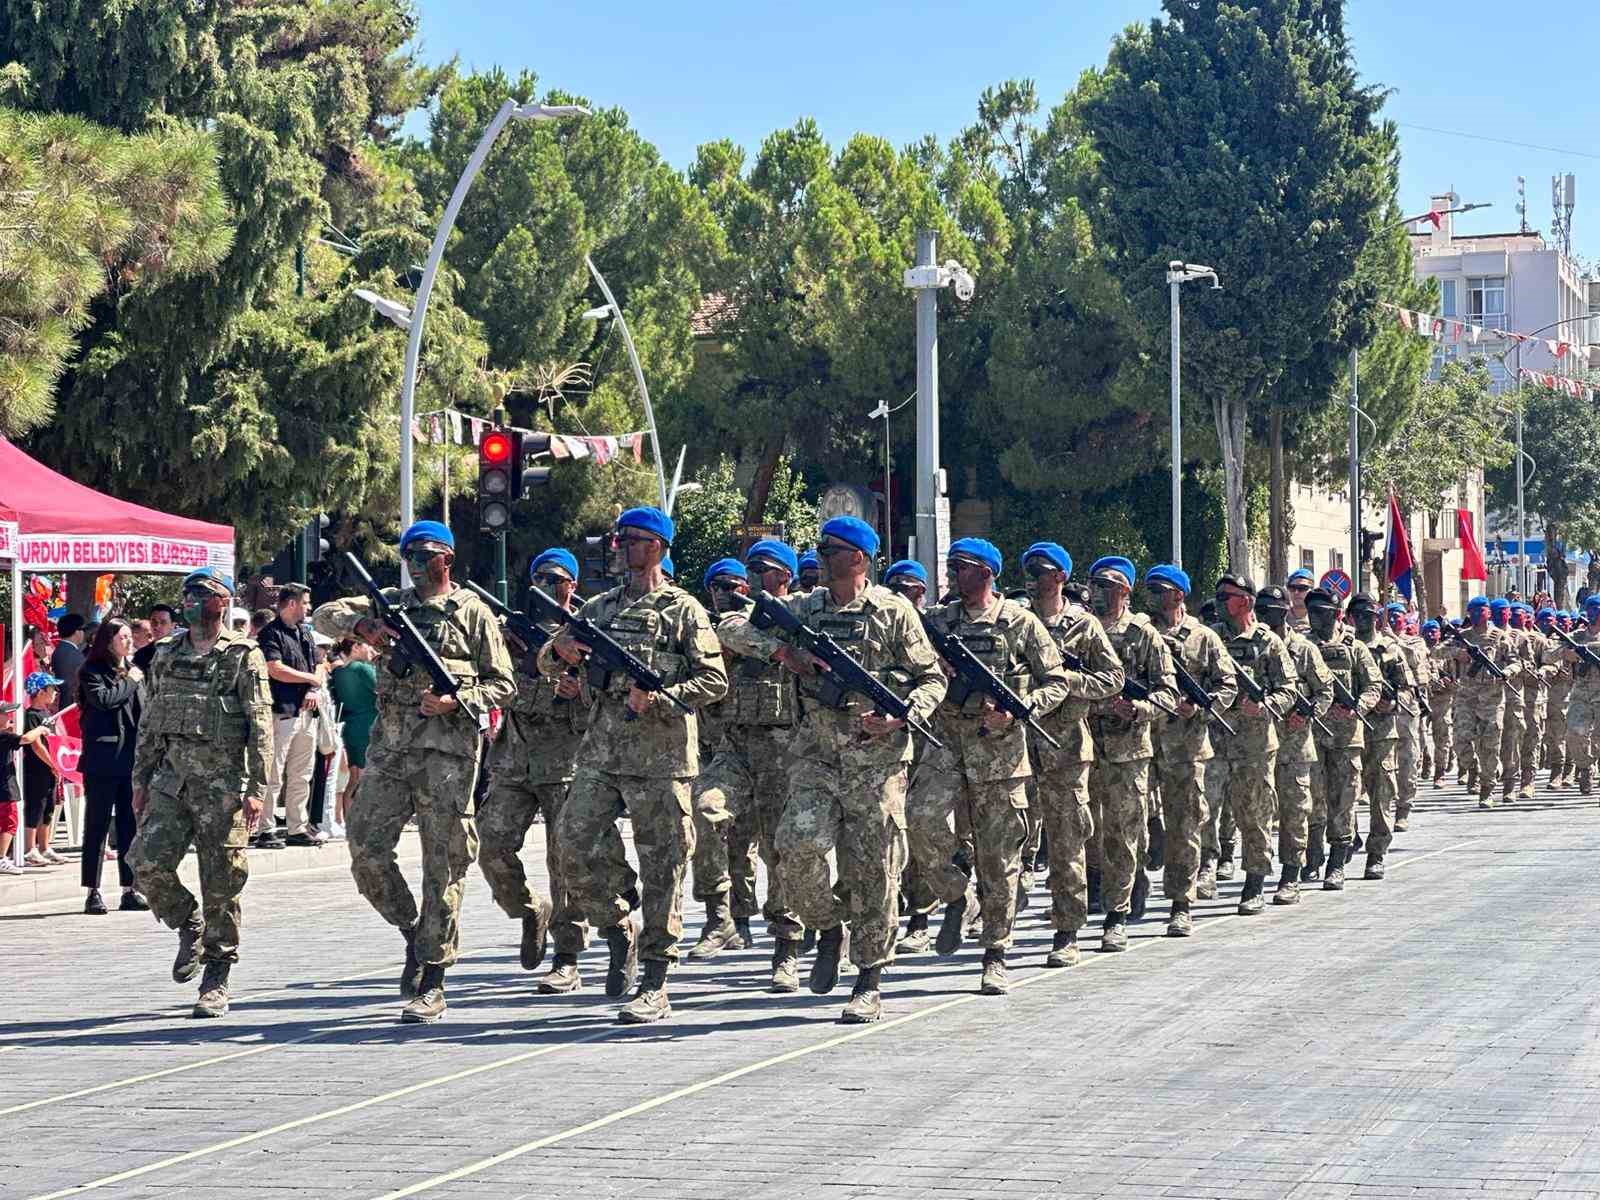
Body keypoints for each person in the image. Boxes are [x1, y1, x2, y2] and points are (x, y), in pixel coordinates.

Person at [724, 515, 943, 1022]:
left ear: (858, 558)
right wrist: (782, 651)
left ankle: (869, 978)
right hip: (816, 758)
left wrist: (901, 716)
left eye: (830, 550)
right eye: (820, 550)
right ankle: (826, 926)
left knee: (875, 872)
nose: (820, 558)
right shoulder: (805, 607)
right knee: (794, 848)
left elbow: (932, 678)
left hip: (877, 763)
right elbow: (731, 626)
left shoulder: (893, 612)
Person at [314, 520, 514, 1023]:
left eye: (424, 556)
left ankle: (433, 976)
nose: (416, 566)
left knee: (443, 863)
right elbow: (324, 615)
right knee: (365, 847)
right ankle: (413, 929)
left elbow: (504, 684)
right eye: (409, 558)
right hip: (390, 751)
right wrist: (364, 627)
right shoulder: (389, 604)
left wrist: (456, 700)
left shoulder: (473, 613)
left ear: (447, 558)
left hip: (448, 755)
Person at [541, 507, 728, 1024]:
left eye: (634, 540)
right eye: (620, 539)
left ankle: (655, 980)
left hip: (663, 760)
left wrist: (660, 698)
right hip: (602, 752)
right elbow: (547, 659)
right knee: (571, 843)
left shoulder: (684, 610)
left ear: (658, 547)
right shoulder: (599, 608)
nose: (623, 547)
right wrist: (560, 651)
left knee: (663, 867)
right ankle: (616, 921)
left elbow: (714, 681)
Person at [910, 538, 1069, 994]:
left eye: (960, 567)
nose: (952, 574)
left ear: (986, 572)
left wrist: (1021, 709)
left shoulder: (1019, 622)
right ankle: (956, 891)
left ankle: (995, 952)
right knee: (919, 818)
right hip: (946, 743)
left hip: (999, 752)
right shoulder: (937, 620)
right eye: (951, 567)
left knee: (999, 859)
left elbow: (1056, 681)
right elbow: (909, 668)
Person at [129, 567, 274, 1018]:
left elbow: (260, 726)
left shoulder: (243, 655)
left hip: (223, 789)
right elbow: (150, 722)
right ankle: (187, 921)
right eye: (186, 594)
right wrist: (140, 781)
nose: (189, 600)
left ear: (222, 602)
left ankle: (217, 973)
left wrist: (256, 788)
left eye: (200, 594)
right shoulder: (165, 654)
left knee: (222, 882)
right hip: (171, 783)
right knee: (145, 863)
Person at [689, 540, 806, 989]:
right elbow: (729, 631)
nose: (754, 576)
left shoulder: (804, 613)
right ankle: (720, 915)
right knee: (706, 809)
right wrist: (779, 650)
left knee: (780, 848)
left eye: (765, 569)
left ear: (786, 577)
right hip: (735, 746)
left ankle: (787, 946)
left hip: (786, 751)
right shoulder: (740, 618)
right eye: (751, 568)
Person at [476, 549, 589, 994]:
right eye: (540, 578)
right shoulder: (510, 630)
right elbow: (493, 683)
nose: (546, 585)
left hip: (566, 759)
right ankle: (529, 910)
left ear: (571, 586)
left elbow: (612, 695)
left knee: (565, 860)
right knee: (491, 844)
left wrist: (579, 691)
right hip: (515, 757)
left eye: (555, 579)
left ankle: (567, 955)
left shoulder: (587, 631)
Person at [1024, 543, 1123, 964]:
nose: (1033, 578)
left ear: (1060, 577)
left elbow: (1114, 677)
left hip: (1065, 747)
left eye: (1041, 571)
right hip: (1012, 746)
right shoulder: (1016, 619)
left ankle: (1067, 930)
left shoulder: (1083, 625)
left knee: (1067, 844)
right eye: (1029, 570)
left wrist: (1067, 682)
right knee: (1009, 840)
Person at [1085, 555, 1176, 950]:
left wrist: (1138, 709)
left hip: (1128, 749)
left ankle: (1116, 914)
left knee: (1123, 831)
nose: (1097, 592)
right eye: (1094, 584)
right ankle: (1102, 886)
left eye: (1106, 585)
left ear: (1124, 590)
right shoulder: (1081, 630)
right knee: (1087, 830)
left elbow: (1168, 693)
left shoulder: (1144, 635)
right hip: (1082, 745)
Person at [1146, 564, 1236, 935]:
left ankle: (1181, 903)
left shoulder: (1203, 638)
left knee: (1185, 825)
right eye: (1151, 590)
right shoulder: (1142, 632)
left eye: (1160, 590)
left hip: (1187, 746)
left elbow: (1227, 684)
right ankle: (1132, 888)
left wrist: (1199, 707)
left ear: (1179, 595)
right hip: (1141, 742)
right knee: (1132, 822)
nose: (1153, 597)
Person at [1203, 575, 1297, 914]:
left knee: (1254, 814)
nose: (1219, 601)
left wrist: (1265, 705)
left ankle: (1254, 882)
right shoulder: (1209, 638)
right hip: (1214, 740)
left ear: (1245, 601)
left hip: (1254, 745)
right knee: (1204, 809)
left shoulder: (1268, 642)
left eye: (1225, 596)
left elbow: (1289, 690)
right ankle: (1207, 867)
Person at [1257, 584, 1332, 903]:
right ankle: (1255, 875)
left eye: (1274, 611)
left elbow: (1325, 691)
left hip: (1295, 746)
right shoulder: (1252, 646)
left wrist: (1308, 714)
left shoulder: (1304, 649)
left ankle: (1291, 875)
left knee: (1295, 812)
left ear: (1286, 611)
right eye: (1262, 611)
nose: (1267, 616)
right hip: (1257, 744)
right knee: (1258, 812)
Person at [78, 618, 149, 914]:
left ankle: (129, 888)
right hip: (103, 759)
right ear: (108, 641)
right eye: (123, 637)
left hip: (131, 759)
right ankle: (92, 890)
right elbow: (104, 700)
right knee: (97, 824)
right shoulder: (92, 671)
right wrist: (130, 680)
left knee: (128, 824)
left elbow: (144, 711)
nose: (129, 641)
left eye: (130, 636)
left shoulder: (134, 671)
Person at [1347, 593, 1411, 879]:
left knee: (1381, 792)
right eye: (1358, 615)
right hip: (1348, 730)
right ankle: (1348, 836)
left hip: (1381, 730)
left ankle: (1376, 852)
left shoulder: (1390, 649)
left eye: (1369, 615)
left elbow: (1407, 690)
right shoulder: (1343, 647)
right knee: (1344, 791)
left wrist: (1392, 703)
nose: (1364, 620)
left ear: (1377, 618)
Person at [256, 583, 325, 848]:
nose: (309, 607)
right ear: (292, 603)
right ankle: (266, 828)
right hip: (282, 712)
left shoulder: (304, 632)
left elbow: (319, 663)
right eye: (305, 602)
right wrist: (310, 679)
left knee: (302, 773)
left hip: (307, 712)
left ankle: (297, 827)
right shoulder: (270, 633)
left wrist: (313, 687)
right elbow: (275, 668)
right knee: (274, 773)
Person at [328, 637, 377, 827]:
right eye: (367, 645)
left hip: (350, 726)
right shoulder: (363, 668)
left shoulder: (339, 672)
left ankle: (351, 822)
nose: (371, 649)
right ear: (356, 647)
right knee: (366, 777)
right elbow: (382, 688)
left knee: (354, 777)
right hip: (367, 726)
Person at [21, 672, 65, 867]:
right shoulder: (31, 716)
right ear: (40, 692)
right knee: (35, 807)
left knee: (48, 807)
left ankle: (44, 847)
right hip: (36, 769)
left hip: (50, 770)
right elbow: (37, 745)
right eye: (52, 689)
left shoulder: (48, 715)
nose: (55, 692)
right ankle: (29, 848)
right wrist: (53, 764)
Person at [0, 701, 47, 876]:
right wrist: (40, 729)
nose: (10, 717)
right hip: (5, 788)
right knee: (9, 823)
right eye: (6, 714)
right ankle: (1, 858)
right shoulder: (4, 737)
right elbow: (26, 739)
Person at [51, 614, 87, 709]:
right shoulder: (72, 654)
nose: (84, 633)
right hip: (72, 706)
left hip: (65, 703)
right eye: (83, 629)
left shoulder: (61, 649)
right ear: (77, 631)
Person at [133, 604, 180, 672]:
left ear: (173, 625)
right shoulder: (140, 656)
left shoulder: (183, 651)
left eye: (163, 622)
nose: (157, 626)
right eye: (154, 622)